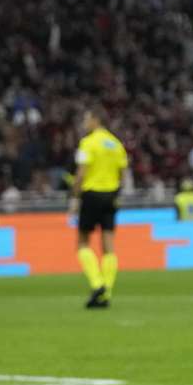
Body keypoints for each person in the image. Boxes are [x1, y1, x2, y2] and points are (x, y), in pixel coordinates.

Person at [72, 108, 128, 309]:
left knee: (82, 243)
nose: (84, 122)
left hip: (91, 194)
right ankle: (107, 292)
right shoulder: (116, 144)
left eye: (86, 118)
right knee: (108, 246)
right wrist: (116, 192)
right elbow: (123, 171)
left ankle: (97, 284)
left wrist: (75, 197)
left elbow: (81, 173)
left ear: (96, 120)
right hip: (111, 195)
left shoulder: (88, 143)